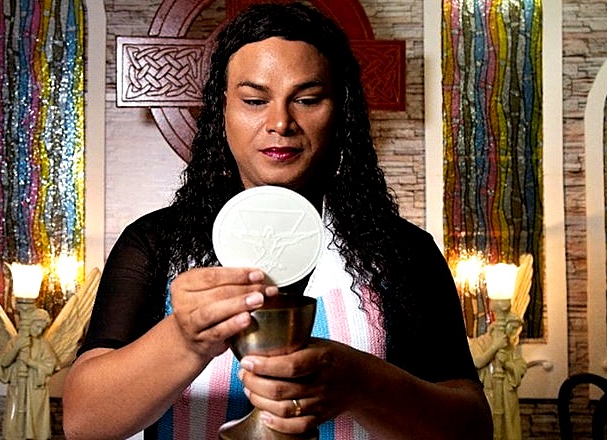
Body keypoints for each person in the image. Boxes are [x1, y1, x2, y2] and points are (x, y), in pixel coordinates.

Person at [62, 3, 493, 439]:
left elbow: (472, 428)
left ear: (339, 109)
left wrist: (361, 382)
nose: (281, 123)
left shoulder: (400, 252)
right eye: (254, 101)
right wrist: (184, 338)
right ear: (222, 111)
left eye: (307, 100)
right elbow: (83, 424)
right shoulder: (154, 244)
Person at [0, 307, 57, 440]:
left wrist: (30, 362)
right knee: (13, 424)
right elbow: (4, 362)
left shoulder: (43, 345)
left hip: (35, 389)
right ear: (30, 322)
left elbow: (50, 365)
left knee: (35, 424)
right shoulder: (16, 341)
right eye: (37, 326)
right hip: (18, 387)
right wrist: (17, 347)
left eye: (42, 328)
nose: (39, 331)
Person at [469, 313, 527, 440]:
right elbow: (477, 362)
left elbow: (521, 367)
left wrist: (507, 364)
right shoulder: (481, 342)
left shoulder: (510, 347)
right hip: (487, 392)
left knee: (508, 428)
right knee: (490, 425)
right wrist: (495, 347)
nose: (514, 334)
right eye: (512, 329)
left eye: (516, 330)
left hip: (507, 395)